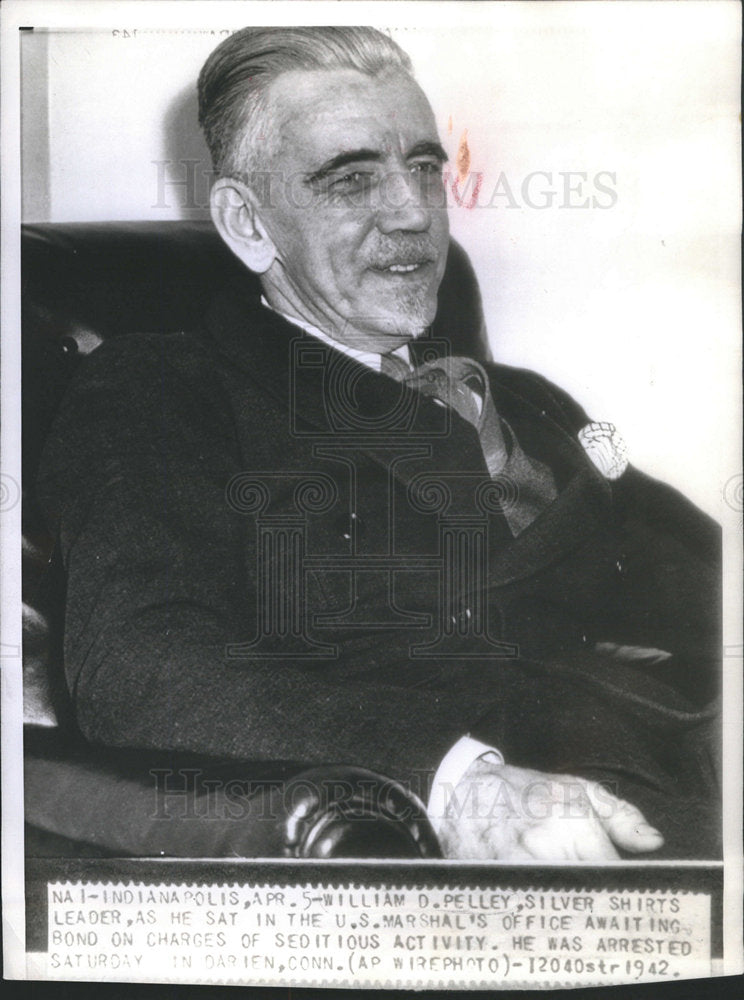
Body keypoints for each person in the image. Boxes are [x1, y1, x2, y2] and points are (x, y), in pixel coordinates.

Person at [36, 26, 721, 861]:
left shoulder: (530, 402)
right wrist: (456, 778)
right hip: (568, 818)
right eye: (352, 178)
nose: (412, 211)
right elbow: (146, 670)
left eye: (424, 168)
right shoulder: (166, 391)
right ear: (248, 224)